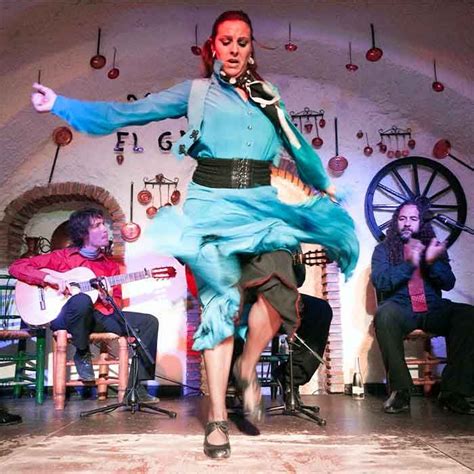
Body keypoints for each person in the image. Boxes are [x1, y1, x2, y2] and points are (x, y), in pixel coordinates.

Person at [30, 10, 359, 458]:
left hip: (261, 200)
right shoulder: (196, 93)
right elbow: (131, 112)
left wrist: (312, 167)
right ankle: (219, 421)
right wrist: (62, 105)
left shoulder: (269, 96)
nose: (235, 50)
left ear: (251, 47)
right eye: (226, 42)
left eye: (243, 42)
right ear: (213, 47)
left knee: (281, 287)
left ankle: (247, 367)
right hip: (212, 203)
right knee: (220, 309)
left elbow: (298, 146)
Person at [9, 208, 159, 403]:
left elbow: (117, 302)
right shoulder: (62, 257)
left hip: (97, 317)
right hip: (66, 317)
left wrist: (107, 299)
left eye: (103, 224)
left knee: (149, 322)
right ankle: (82, 353)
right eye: (97, 226)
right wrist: (49, 278)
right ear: (83, 233)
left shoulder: (110, 266)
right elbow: (16, 267)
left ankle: (136, 387)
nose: (105, 229)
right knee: (81, 300)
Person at [371, 200, 474, 415]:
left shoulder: (434, 248)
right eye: (402, 218)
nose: (407, 223)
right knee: (384, 315)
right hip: (402, 308)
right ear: (396, 222)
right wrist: (411, 263)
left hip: (432, 308)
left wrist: (431, 262)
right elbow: (381, 282)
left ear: (421, 223)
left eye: (413, 218)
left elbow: (448, 283)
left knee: (467, 315)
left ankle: (453, 392)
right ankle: (401, 391)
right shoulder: (383, 250)